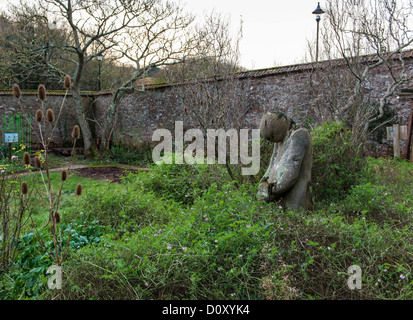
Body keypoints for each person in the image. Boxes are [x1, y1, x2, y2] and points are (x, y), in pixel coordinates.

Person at [256, 111, 313, 210]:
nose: (274, 140)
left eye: (274, 135)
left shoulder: (299, 134)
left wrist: (270, 191)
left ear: (284, 122)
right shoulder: (280, 139)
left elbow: (291, 174)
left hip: (295, 203)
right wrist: (264, 182)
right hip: (278, 200)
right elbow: (272, 164)